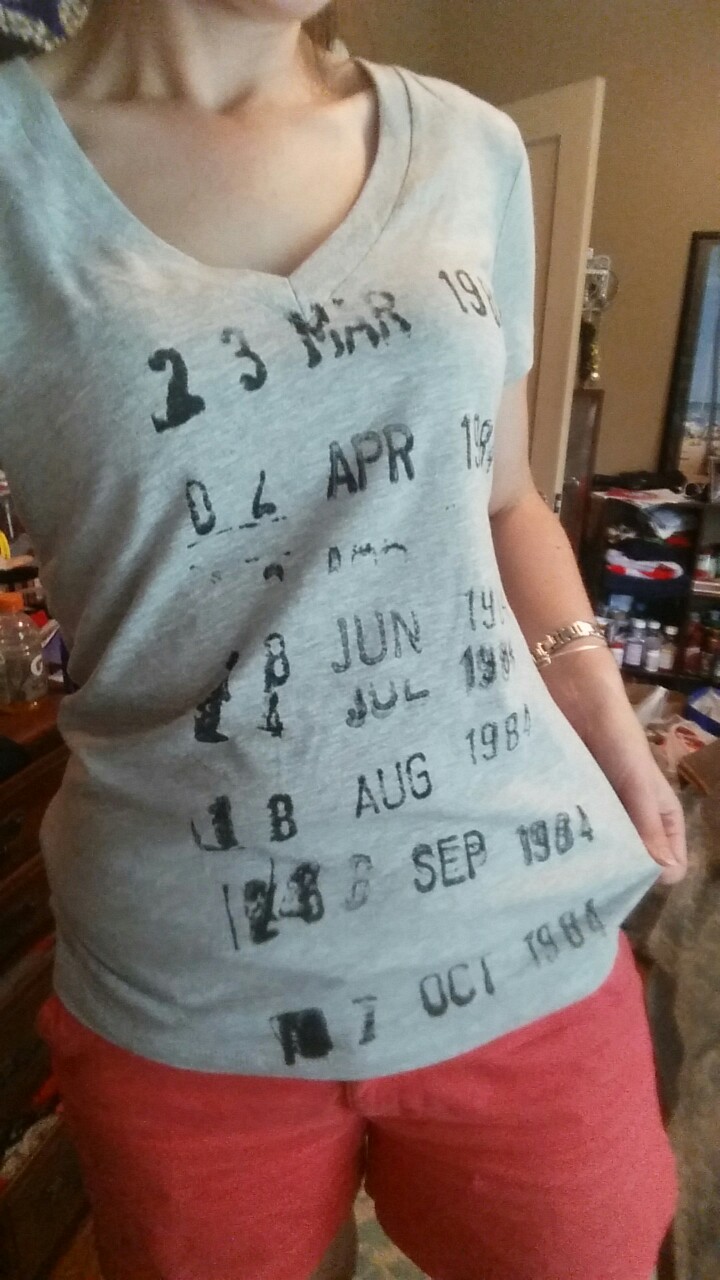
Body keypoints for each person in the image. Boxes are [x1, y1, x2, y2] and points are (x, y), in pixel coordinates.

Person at [0, 2, 686, 1277]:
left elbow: (504, 495)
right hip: (194, 988)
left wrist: (606, 715)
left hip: (520, 923)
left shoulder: (472, 150)